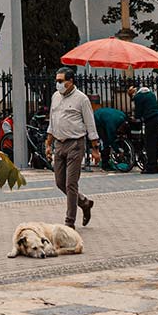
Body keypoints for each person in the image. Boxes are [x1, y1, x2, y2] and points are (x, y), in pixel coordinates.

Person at [46, 67, 96, 229]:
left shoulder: (81, 99)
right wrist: (48, 143)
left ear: (70, 81)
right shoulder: (55, 97)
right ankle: (84, 203)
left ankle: (70, 222)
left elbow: (90, 124)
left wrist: (95, 148)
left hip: (75, 144)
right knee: (60, 182)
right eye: (57, 81)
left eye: (61, 81)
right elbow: (52, 122)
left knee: (71, 184)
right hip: (59, 144)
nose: (58, 84)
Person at [129, 79, 158, 173]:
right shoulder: (151, 94)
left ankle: (151, 167)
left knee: (149, 143)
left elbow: (138, 114)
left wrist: (134, 117)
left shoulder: (138, 97)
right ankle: (154, 165)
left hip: (150, 121)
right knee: (156, 143)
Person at [93, 96, 128, 171]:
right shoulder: (112, 124)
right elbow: (110, 138)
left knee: (111, 136)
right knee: (105, 141)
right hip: (98, 120)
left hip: (105, 115)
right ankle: (105, 164)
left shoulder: (123, 118)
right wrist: (117, 150)